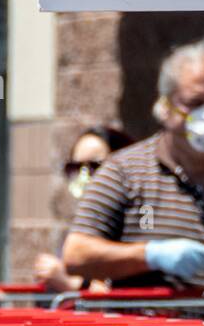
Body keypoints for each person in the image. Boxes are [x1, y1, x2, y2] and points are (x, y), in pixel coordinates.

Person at [62, 38, 204, 289]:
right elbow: (77, 255)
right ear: (165, 107)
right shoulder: (123, 173)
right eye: (195, 103)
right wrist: (150, 256)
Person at [34, 125, 133, 293]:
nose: (83, 177)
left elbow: (117, 295)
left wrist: (70, 284)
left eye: (96, 166)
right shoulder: (78, 225)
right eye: (75, 168)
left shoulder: (134, 224)